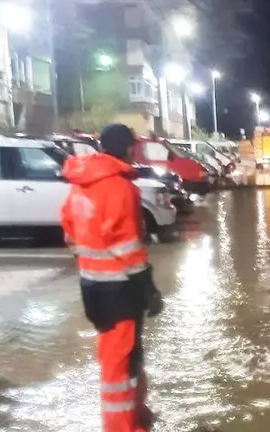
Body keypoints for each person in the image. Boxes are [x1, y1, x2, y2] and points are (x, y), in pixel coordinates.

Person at [60, 124, 164, 431]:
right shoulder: (119, 187)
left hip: (93, 288)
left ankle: (138, 416)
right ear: (130, 148)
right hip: (120, 290)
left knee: (126, 357)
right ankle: (122, 426)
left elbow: (70, 232)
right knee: (119, 367)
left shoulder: (81, 184)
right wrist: (148, 288)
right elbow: (126, 245)